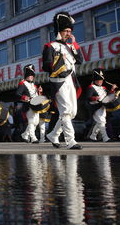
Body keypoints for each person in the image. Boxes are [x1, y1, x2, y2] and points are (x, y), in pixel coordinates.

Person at [42, 11, 83, 150]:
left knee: (72, 112)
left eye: (70, 31)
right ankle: (70, 141)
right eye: (66, 31)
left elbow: (80, 61)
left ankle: (54, 134)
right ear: (59, 31)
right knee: (65, 111)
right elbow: (46, 66)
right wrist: (56, 63)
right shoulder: (50, 46)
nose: (68, 33)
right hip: (58, 81)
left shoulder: (70, 46)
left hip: (71, 81)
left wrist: (74, 44)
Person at [86, 68, 117, 142]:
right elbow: (87, 98)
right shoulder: (91, 87)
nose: (100, 81)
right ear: (95, 80)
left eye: (101, 80)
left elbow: (108, 96)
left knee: (99, 122)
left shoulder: (104, 88)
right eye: (99, 80)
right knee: (101, 122)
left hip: (103, 107)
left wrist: (112, 89)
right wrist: (94, 98)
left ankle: (93, 136)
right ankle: (105, 138)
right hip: (95, 107)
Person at [15, 64, 42, 144]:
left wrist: (39, 92)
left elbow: (36, 96)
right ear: (26, 75)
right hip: (28, 105)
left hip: (35, 105)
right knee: (31, 122)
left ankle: (25, 135)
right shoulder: (22, 83)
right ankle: (33, 138)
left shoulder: (34, 85)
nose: (31, 77)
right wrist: (24, 97)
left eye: (32, 75)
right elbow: (17, 94)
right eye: (29, 75)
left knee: (36, 122)